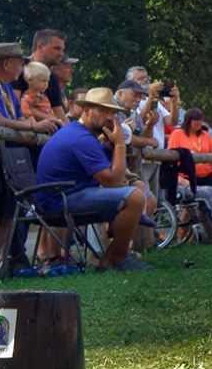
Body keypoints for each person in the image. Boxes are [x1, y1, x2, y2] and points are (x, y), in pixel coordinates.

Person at [35, 87, 151, 270]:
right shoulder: (82, 139)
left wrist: (110, 148)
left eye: (112, 112)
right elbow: (112, 181)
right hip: (60, 202)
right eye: (102, 110)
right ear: (86, 110)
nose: (108, 116)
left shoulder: (82, 134)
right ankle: (117, 258)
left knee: (134, 188)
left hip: (63, 195)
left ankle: (111, 257)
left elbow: (117, 176)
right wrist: (120, 144)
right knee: (135, 197)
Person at [0, 41, 56, 275]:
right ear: (6, 63)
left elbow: (12, 119)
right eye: (19, 63)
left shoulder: (5, 86)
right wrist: (33, 126)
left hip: (6, 155)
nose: (21, 69)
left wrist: (32, 125)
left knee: (7, 210)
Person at [166, 108, 212, 240]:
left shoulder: (205, 135)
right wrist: (179, 178)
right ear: (188, 120)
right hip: (186, 178)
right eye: (195, 120)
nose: (198, 123)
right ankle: (205, 234)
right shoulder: (178, 134)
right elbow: (171, 157)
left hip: (206, 175)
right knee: (198, 202)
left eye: (200, 120)